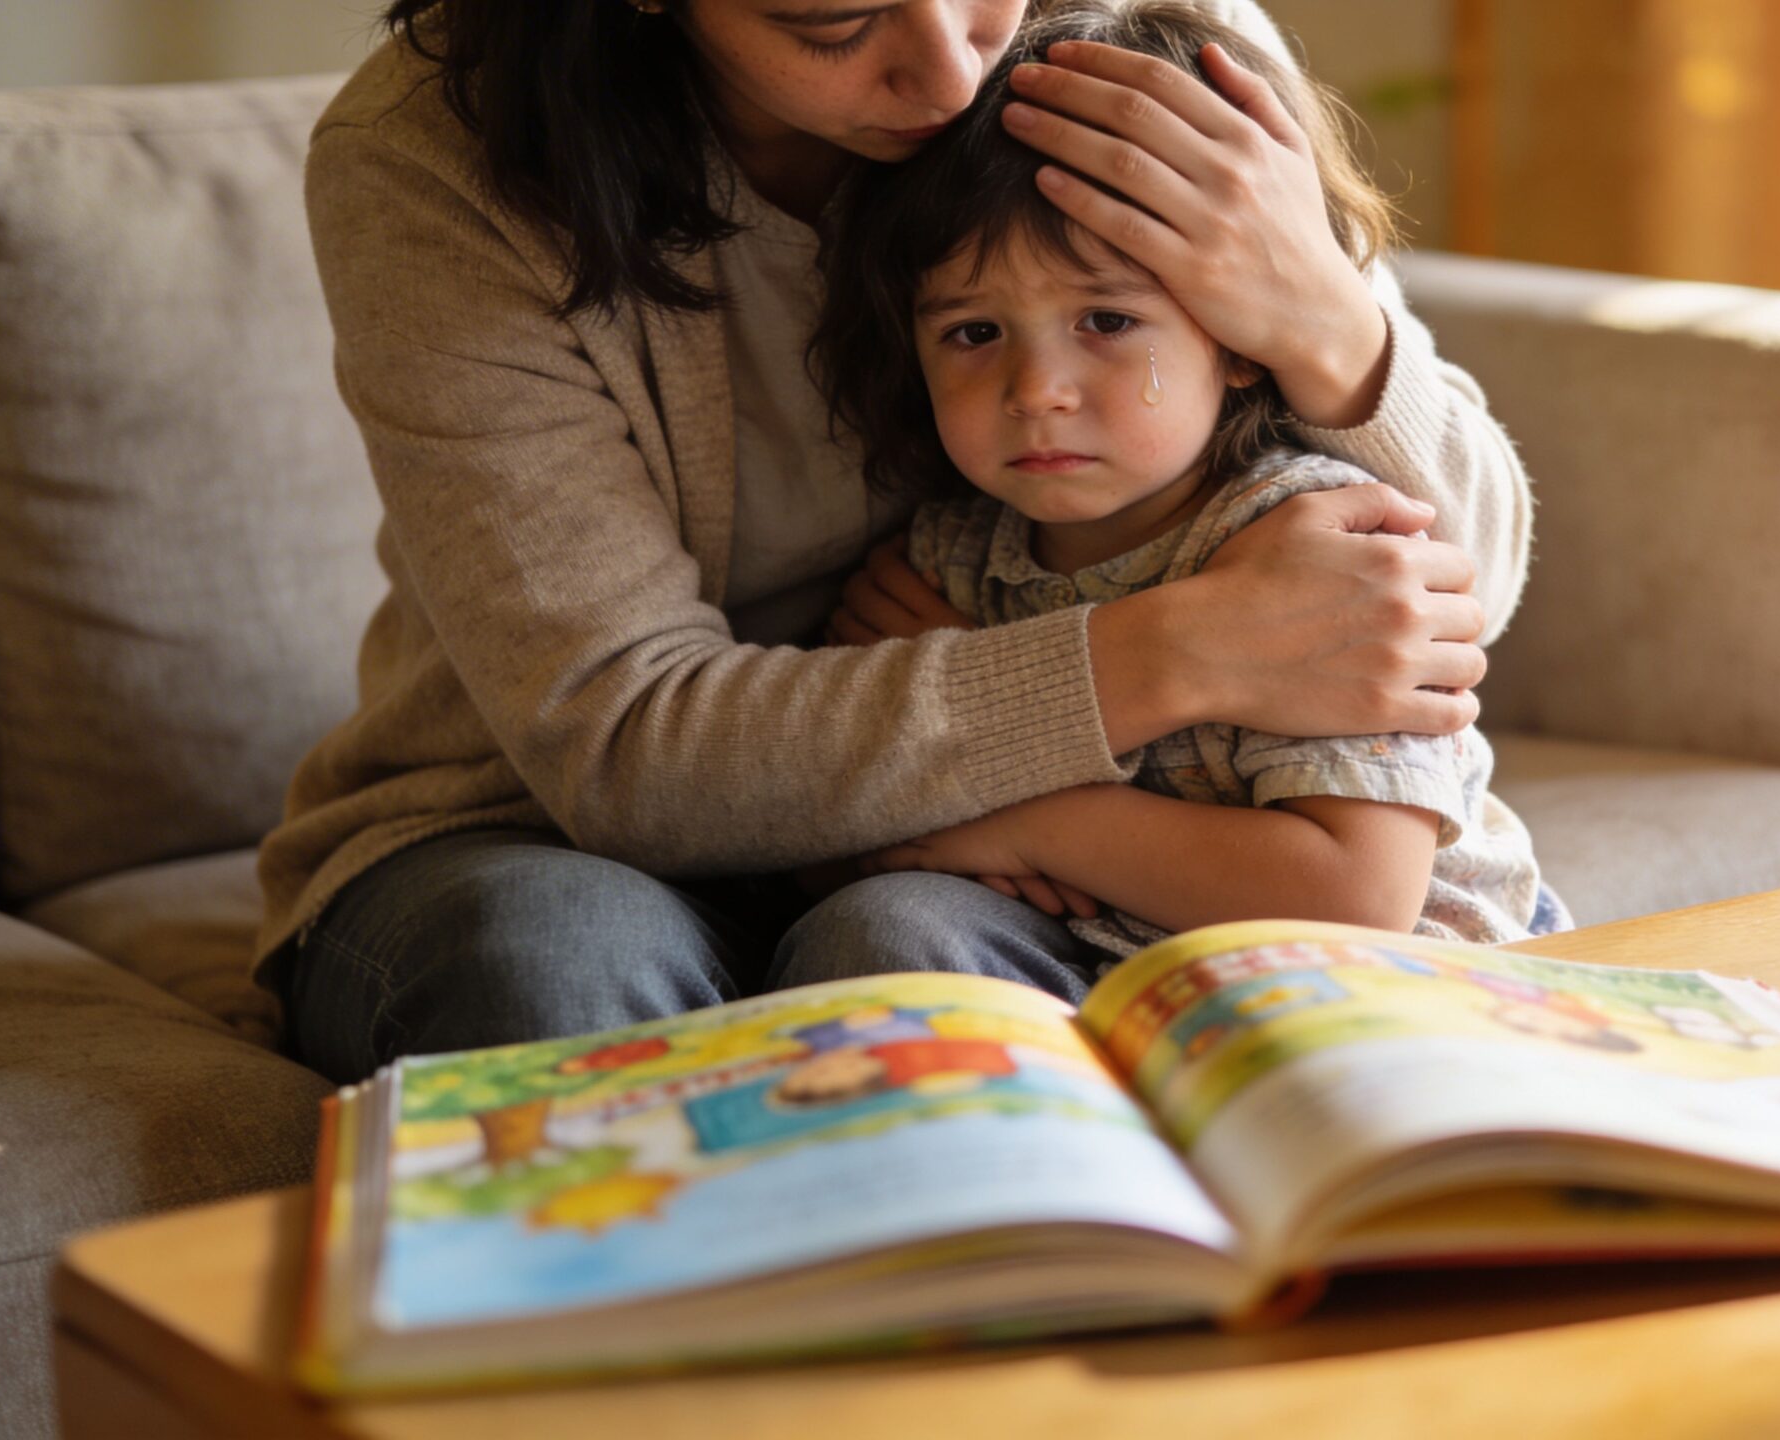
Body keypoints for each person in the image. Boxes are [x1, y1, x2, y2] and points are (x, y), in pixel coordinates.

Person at [260, 0, 1538, 1084]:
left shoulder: (1143, 48)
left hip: (978, 853)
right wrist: (1185, 650)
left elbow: (1452, 588)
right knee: (554, 969)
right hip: (533, 831)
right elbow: (623, 753)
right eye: (833, 20)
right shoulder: (442, 165)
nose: (949, 72)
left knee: (895, 949)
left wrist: (1319, 313)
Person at [814, 0, 1564, 967]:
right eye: (973, 333)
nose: (1036, 393)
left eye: (1108, 322)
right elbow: (855, 823)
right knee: (876, 929)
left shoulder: (1315, 549)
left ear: (1245, 335)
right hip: (1107, 958)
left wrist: (1033, 817)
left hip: (1389, 985)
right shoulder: (945, 561)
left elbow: (1356, 898)